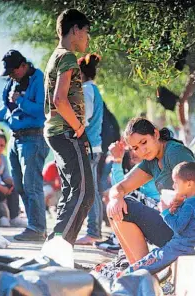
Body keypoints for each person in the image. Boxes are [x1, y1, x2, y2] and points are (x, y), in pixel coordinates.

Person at [106, 117, 195, 270]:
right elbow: (119, 187)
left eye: (144, 142)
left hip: (191, 233)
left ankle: (144, 273)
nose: (142, 150)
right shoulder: (151, 160)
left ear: (155, 134)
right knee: (115, 207)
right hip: (176, 227)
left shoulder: (174, 152)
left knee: (126, 208)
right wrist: (115, 198)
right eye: (135, 148)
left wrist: (177, 197)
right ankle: (139, 272)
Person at [43, 9, 94, 246]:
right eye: (86, 32)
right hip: (66, 132)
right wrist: (79, 129)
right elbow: (59, 100)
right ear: (75, 30)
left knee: (72, 192)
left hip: (57, 132)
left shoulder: (55, 56)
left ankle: (58, 248)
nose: (87, 38)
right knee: (84, 193)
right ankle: (59, 249)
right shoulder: (68, 57)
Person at [0, 50, 49, 241]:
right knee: (20, 186)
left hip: (34, 138)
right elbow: (8, 106)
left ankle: (38, 229)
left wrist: (20, 100)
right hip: (16, 138)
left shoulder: (38, 79)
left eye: (13, 71)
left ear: (23, 66)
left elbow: (41, 110)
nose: (11, 75)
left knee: (32, 185)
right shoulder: (14, 81)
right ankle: (33, 226)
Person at [116, 161, 195, 278]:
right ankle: (130, 272)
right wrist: (173, 210)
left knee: (155, 258)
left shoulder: (190, 205)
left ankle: (129, 274)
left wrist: (164, 211)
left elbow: (178, 227)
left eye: (176, 183)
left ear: (189, 184)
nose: (173, 186)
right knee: (155, 255)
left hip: (184, 247)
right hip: (187, 244)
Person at [75, 53, 105, 245]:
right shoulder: (92, 89)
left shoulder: (86, 90)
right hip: (93, 147)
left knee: (90, 192)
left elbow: (83, 119)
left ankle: (93, 232)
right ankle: (93, 230)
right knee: (91, 190)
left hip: (88, 147)